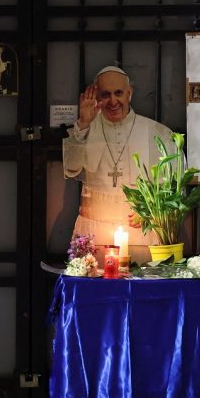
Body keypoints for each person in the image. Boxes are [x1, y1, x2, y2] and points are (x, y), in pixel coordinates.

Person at [63, 66, 176, 262]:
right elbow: (71, 169)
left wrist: (151, 211)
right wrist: (82, 124)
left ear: (129, 94)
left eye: (119, 93)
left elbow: (174, 189)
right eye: (105, 94)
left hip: (140, 233)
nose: (113, 101)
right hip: (93, 233)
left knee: (140, 291)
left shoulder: (157, 133)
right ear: (97, 96)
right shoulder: (84, 129)